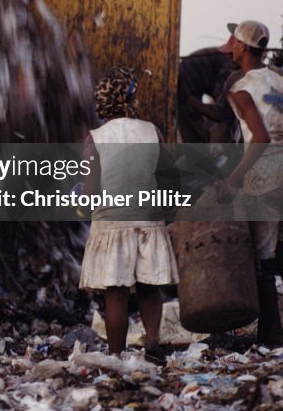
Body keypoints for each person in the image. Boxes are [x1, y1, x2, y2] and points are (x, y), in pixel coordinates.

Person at [215, 20, 283, 345]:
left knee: (261, 259)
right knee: (277, 248)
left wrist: (231, 181)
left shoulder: (241, 88)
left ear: (241, 48)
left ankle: (271, 333)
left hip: (267, 176)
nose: (231, 49)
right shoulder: (282, 85)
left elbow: (260, 138)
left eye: (233, 44)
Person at [79, 66, 179, 360]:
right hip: (148, 219)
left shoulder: (94, 139)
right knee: (149, 287)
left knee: (116, 291)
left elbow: (91, 189)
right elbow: (170, 178)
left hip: (112, 224)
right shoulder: (151, 131)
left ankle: (116, 354)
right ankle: (152, 342)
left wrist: (81, 204)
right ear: (130, 98)